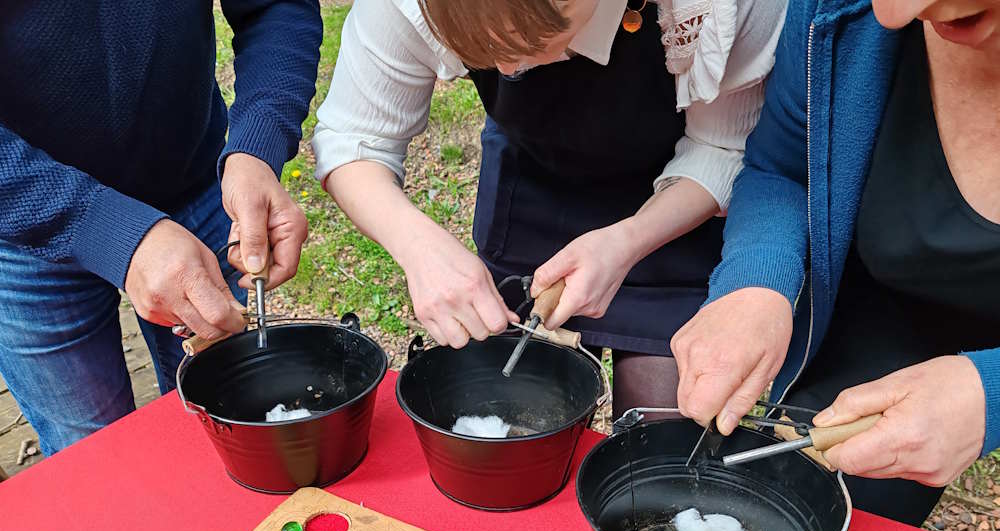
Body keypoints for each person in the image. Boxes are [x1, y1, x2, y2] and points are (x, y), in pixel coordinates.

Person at [312, 0, 787, 418]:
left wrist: (629, 240)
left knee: (660, 445)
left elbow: (723, 147)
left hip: (682, 211)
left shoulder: (717, 6)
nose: (509, 69)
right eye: (483, 51)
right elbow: (356, 140)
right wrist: (419, 247)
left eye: (531, 42)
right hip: (532, 191)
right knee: (507, 421)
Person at [671, 0, 1000, 525]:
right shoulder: (848, 13)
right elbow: (783, 167)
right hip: (867, 320)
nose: (893, 15)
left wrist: (991, 392)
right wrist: (755, 281)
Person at [0, 1, 323, 455]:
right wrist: (105, 229)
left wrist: (257, 145)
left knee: (228, 428)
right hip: (23, 224)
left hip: (195, 185)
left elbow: (275, 7)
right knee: (93, 461)